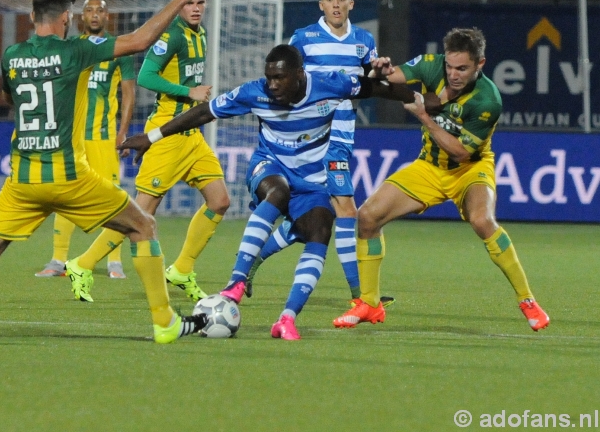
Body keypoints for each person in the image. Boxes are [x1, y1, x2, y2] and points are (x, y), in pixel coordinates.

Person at [0, 0, 209, 344]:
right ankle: (165, 322)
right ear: (65, 18)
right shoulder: (75, 50)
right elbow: (140, 40)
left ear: (32, 16)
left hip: (23, 182)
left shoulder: (12, 56)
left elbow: (10, 99)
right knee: (143, 227)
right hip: (70, 178)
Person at [121, 44, 426, 340]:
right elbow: (204, 113)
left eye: (280, 77)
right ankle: (236, 283)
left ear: (299, 74)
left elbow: (380, 89)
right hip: (268, 166)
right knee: (277, 192)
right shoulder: (254, 92)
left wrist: (421, 100)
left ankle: (287, 318)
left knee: (319, 230)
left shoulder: (331, 85)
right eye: (269, 77)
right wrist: (152, 137)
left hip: (312, 180)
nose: (272, 84)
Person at [332, 27, 550, 332]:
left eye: (462, 68)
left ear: (480, 64)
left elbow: (461, 152)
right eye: (450, 66)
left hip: (470, 170)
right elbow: (391, 77)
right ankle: (370, 303)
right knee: (368, 216)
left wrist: (423, 116)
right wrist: (377, 71)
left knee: (482, 221)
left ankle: (527, 300)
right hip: (430, 167)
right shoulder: (431, 64)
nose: (453, 74)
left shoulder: (488, 100)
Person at [64, 0, 229, 303]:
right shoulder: (172, 36)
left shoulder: (201, 34)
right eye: (190, 3)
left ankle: (181, 270)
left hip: (191, 134)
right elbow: (146, 77)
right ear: (180, 6)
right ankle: (82, 264)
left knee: (220, 200)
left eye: (201, 3)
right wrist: (188, 92)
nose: (196, 8)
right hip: (166, 134)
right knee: (139, 214)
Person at [245, 0, 392, 308]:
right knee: (346, 210)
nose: (336, 5)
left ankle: (254, 259)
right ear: (321, 4)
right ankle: (361, 296)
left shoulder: (364, 40)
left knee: (313, 220)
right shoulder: (305, 38)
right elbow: (283, 78)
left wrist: (377, 71)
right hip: (315, 137)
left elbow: (367, 84)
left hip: (344, 129)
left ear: (352, 3)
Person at [35, 0, 135, 279]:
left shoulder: (118, 51)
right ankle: (57, 261)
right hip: (71, 137)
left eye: (100, 10)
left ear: (108, 17)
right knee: (65, 195)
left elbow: (128, 93)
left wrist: (123, 132)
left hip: (104, 138)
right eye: (88, 10)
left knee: (113, 198)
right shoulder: (71, 49)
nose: (94, 15)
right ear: (80, 17)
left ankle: (113, 261)